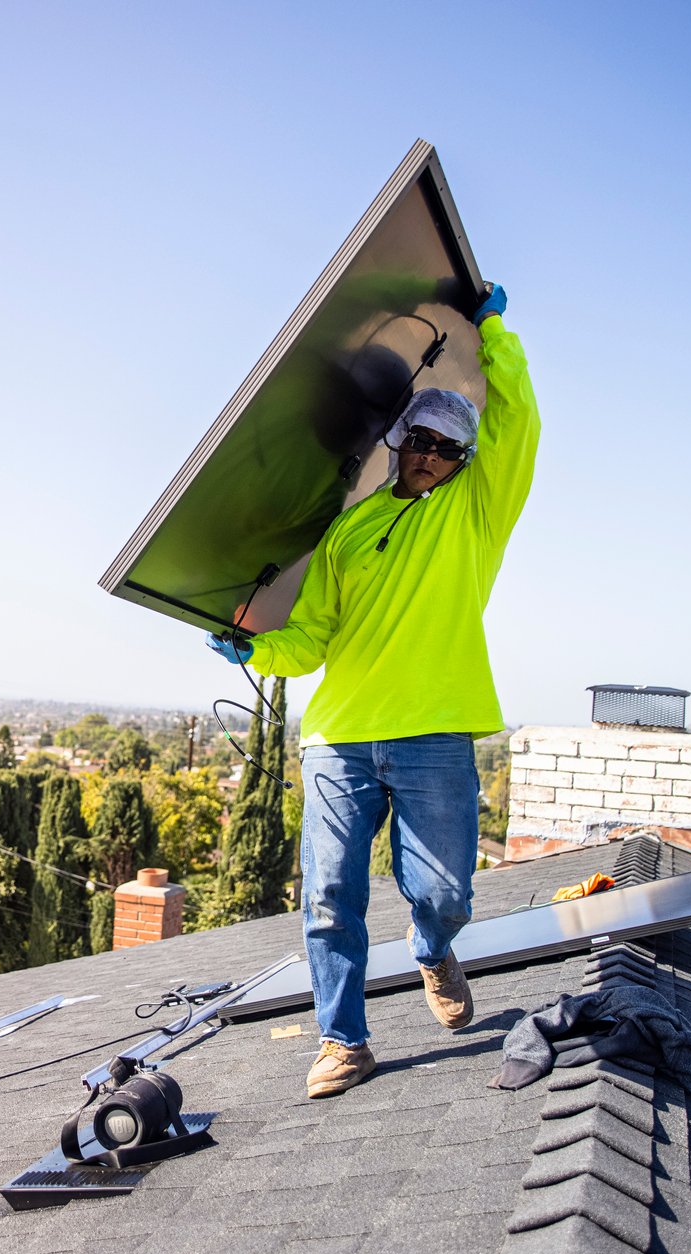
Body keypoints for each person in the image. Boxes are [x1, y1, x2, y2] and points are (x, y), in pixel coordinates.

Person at [207, 281, 538, 1099]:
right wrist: (254, 646)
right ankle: (343, 1040)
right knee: (328, 894)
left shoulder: (474, 513)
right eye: (418, 438)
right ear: (397, 441)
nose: (430, 453)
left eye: (447, 447)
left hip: (435, 733)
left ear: (463, 461)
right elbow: (312, 638)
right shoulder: (349, 531)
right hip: (340, 738)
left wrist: (494, 331)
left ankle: (433, 949)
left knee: (443, 891)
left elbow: (518, 423)